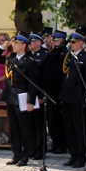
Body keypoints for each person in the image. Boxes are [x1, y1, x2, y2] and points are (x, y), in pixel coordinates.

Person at [59, 27, 86, 169]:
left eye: (74, 42)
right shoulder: (69, 57)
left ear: (81, 42)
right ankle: (73, 154)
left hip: (78, 98)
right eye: (71, 42)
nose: (71, 44)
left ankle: (81, 156)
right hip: (67, 97)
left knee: (79, 128)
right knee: (69, 128)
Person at [2, 33, 40, 166]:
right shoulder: (11, 58)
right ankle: (16, 153)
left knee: (25, 128)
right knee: (14, 128)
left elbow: (32, 84)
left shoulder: (30, 62)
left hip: (22, 98)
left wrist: (30, 101)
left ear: (24, 45)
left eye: (17, 43)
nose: (14, 45)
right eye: (14, 43)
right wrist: (3, 47)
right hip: (11, 98)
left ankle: (26, 154)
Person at [44, 31, 68, 154]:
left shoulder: (63, 53)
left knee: (59, 120)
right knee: (51, 120)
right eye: (53, 40)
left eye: (56, 40)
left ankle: (61, 144)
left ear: (63, 41)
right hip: (50, 92)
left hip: (59, 92)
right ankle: (55, 142)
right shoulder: (52, 52)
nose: (53, 42)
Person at [28, 32, 49, 160]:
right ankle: (32, 148)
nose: (29, 44)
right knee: (31, 124)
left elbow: (46, 78)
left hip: (38, 95)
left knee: (39, 124)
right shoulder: (29, 56)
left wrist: (42, 96)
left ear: (39, 43)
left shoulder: (44, 56)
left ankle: (41, 149)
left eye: (32, 41)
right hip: (30, 95)